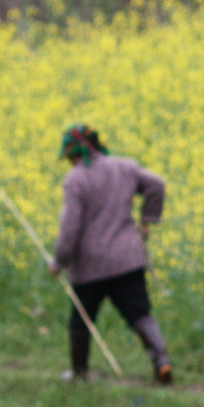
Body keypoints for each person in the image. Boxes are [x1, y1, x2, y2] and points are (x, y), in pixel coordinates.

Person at [51, 123, 173, 384]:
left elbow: (70, 227)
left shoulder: (76, 179)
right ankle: (162, 362)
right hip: (128, 258)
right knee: (140, 313)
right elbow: (157, 185)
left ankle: (79, 372)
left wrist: (59, 261)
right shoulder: (125, 167)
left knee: (81, 320)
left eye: (69, 157)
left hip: (90, 266)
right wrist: (146, 222)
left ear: (76, 153)